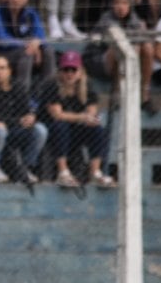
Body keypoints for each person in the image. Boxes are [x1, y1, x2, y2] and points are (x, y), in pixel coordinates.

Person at [37, 51, 114, 189]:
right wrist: (82, 117)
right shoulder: (52, 85)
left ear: (80, 71)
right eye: (66, 69)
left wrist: (89, 118)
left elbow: (91, 110)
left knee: (97, 129)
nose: (70, 73)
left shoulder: (87, 86)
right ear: (60, 71)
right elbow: (57, 115)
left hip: (77, 129)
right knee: (60, 126)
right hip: (53, 130)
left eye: (73, 69)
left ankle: (95, 172)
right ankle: (63, 172)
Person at [0, 54, 47, 187]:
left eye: (2, 68)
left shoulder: (17, 86)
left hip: (13, 130)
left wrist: (30, 117)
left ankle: (27, 168)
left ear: (9, 70)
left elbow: (25, 110)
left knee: (40, 130)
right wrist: (18, 121)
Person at [83, 0, 156, 112]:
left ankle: (145, 95)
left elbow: (143, 40)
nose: (120, 6)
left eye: (124, 2)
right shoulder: (106, 19)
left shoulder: (135, 19)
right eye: (117, 2)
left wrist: (138, 41)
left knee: (147, 48)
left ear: (130, 5)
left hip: (128, 58)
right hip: (98, 60)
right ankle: (116, 94)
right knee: (119, 48)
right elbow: (112, 42)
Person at [0, 0, 48, 88]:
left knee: (48, 51)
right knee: (26, 53)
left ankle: (48, 96)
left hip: (21, 51)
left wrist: (37, 44)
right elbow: (2, 40)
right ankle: (22, 98)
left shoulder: (31, 13)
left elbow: (40, 34)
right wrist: (28, 44)